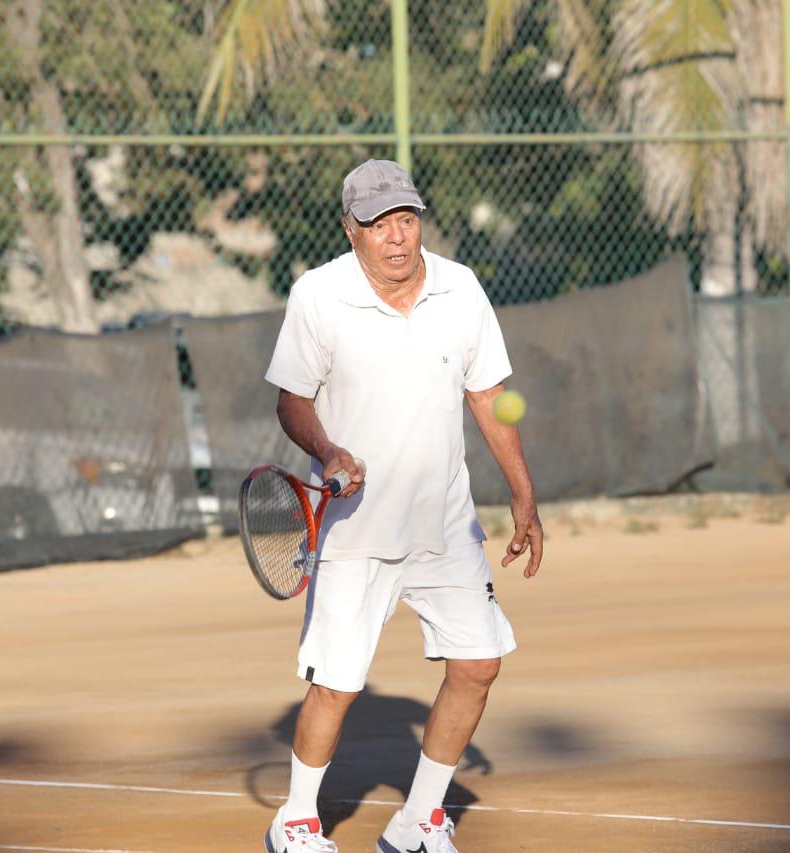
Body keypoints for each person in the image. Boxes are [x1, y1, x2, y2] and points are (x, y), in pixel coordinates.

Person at [261, 159, 543, 853]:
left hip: (445, 525)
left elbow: (487, 393)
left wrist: (522, 490)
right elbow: (291, 399)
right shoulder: (318, 296)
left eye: (406, 220)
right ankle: (296, 818)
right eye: (379, 224)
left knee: (478, 663)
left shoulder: (462, 288)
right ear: (350, 229)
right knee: (337, 684)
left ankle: (418, 820)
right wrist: (327, 449)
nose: (396, 238)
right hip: (355, 530)